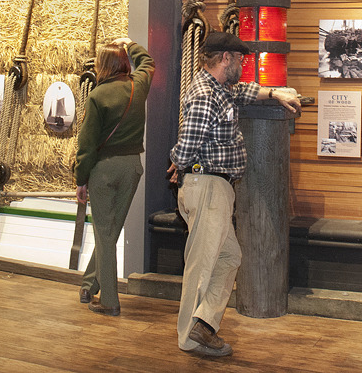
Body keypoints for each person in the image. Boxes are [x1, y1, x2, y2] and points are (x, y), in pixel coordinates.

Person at [167, 32, 300, 357]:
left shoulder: (220, 89)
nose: (243, 64)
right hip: (207, 188)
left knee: (229, 258)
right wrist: (177, 162)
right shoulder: (203, 94)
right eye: (240, 59)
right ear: (225, 58)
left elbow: (242, 91)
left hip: (217, 188)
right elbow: (186, 147)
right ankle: (189, 337)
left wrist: (273, 92)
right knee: (202, 265)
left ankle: (204, 323)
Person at [74, 37, 155, 316]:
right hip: (132, 167)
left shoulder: (97, 96)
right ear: (123, 63)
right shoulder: (138, 86)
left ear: (102, 66)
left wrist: (80, 180)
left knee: (104, 234)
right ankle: (89, 283)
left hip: (104, 170)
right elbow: (148, 62)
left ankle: (109, 300)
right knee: (110, 232)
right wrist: (131, 43)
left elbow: (86, 145)